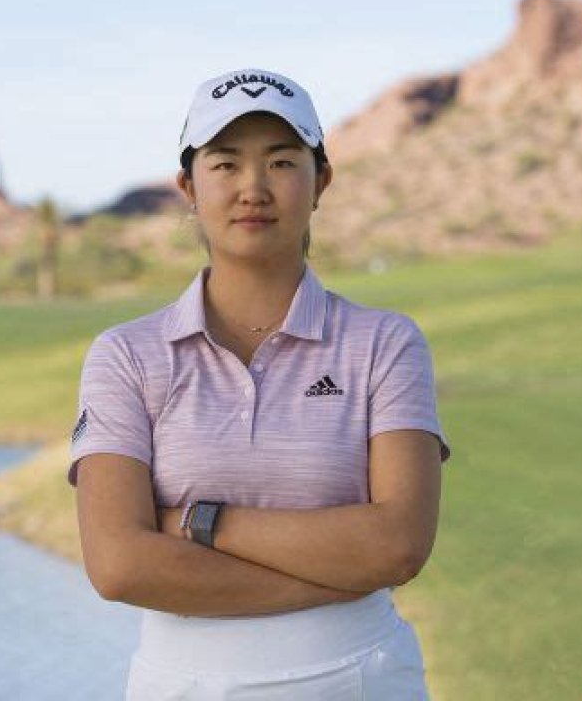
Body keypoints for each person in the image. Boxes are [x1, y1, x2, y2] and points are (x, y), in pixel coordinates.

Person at [67, 67, 451, 700]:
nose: (253, 188)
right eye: (225, 164)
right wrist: (334, 575)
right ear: (189, 187)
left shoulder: (385, 343)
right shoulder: (126, 356)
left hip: (360, 679)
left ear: (320, 182)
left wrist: (200, 521)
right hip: (181, 685)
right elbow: (118, 565)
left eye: (281, 162)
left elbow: (398, 545)